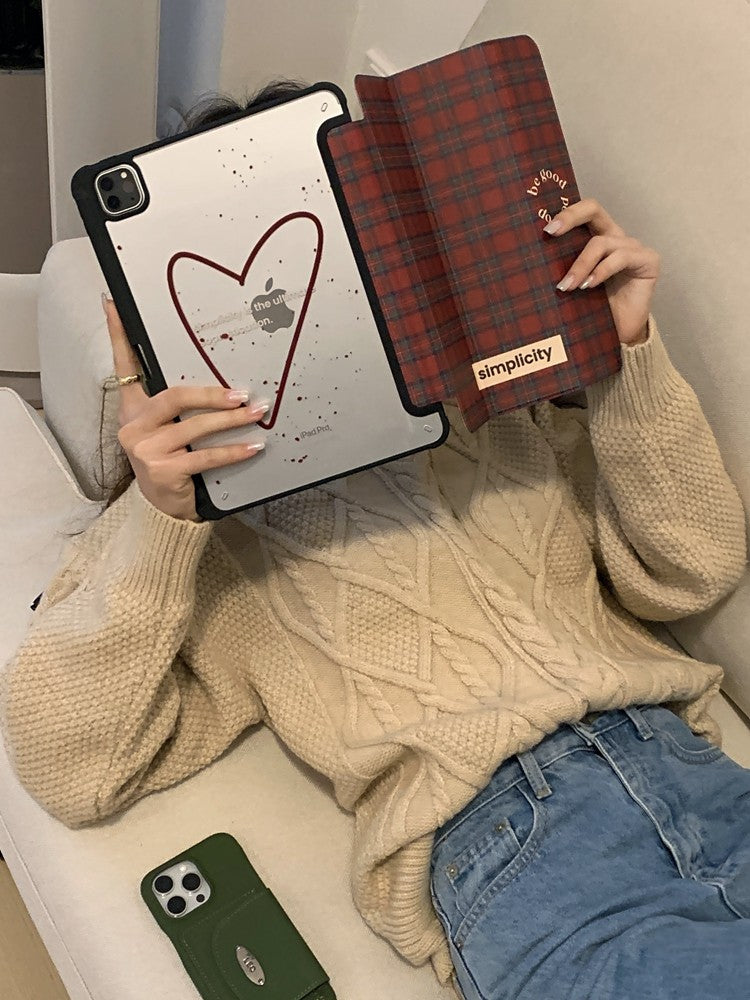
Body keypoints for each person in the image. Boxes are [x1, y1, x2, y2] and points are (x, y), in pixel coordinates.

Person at [1, 80, 748, 1000]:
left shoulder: (495, 411)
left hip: (698, 772)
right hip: (514, 850)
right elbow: (67, 766)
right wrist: (162, 517)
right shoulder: (196, 535)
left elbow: (692, 570)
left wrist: (624, 355)